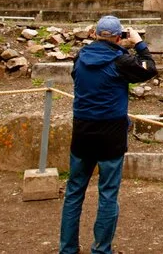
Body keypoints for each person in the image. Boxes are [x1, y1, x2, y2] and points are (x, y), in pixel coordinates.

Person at [59, 15, 157, 254]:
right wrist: (138, 43)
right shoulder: (121, 61)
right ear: (118, 37)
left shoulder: (81, 56)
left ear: (95, 34)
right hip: (110, 133)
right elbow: (149, 68)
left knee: (74, 192)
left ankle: (68, 248)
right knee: (108, 193)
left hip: (83, 130)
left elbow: (76, 76)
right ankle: (102, 249)